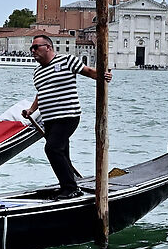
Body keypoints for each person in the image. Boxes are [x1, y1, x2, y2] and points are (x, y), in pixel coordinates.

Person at [26, 35, 108, 198]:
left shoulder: (67, 60)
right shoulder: (37, 72)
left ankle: (70, 188)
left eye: (36, 47)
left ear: (48, 47)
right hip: (49, 119)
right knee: (62, 153)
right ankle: (68, 186)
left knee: (52, 149)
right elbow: (41, 93)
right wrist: (31, 110)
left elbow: (89, 72)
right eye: (31, 48)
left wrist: (104, 75)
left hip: (67, 115)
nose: (33, 51)